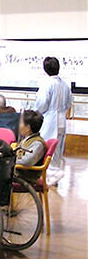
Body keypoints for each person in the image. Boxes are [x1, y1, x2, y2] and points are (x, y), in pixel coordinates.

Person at [34, 57, 72, 185]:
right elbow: (69, 103)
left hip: (50, 118)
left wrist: (37, 112)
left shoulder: (47, 84)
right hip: (62, 117)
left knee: (47, 146)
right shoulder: (65, 84)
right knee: (58, 147)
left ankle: (51, 174)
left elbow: (42, 103)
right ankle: (55, 172)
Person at [15, 110, 47, 184]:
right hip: (19, 171)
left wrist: (10, 161)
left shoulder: (37, 144)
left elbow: (27, 161)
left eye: (21, 123)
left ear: (28, 128)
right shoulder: (27, 140)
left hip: (26, 175)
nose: (19, 125)